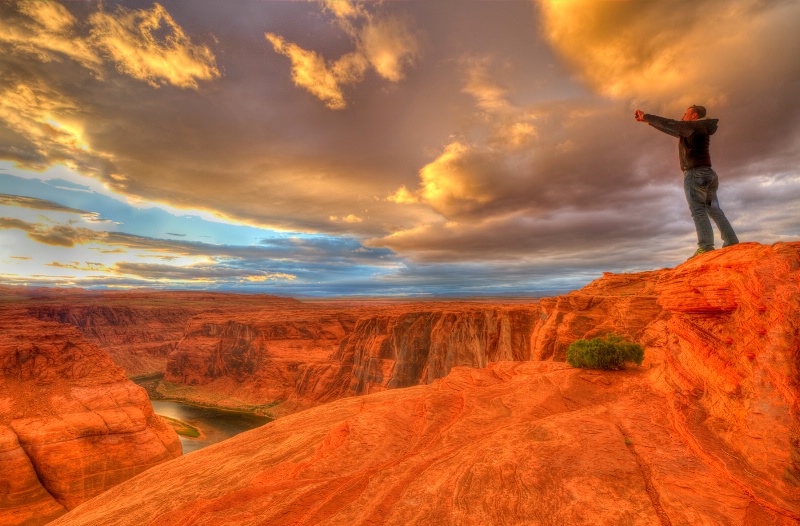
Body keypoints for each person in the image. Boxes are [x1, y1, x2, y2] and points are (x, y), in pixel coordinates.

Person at [635, 105, 738, 258]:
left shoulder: (694, 126)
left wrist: (647, 116)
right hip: (708, 175)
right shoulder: (699, 128)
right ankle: (731, 242)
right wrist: (648, 122)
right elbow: (673, 130)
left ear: (694, 115)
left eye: (685, 114)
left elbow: (670, 123)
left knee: (698, 209)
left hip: (695, 175)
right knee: (713, 209)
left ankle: (706, 246)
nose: (682, 116)